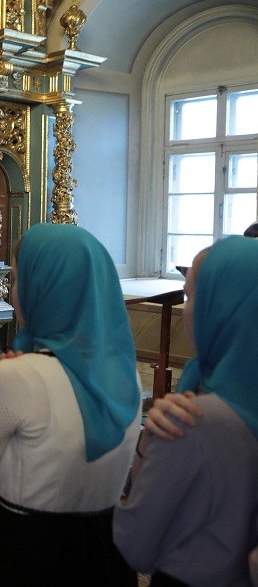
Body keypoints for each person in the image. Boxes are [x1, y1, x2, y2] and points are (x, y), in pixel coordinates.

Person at [0, 223, 140, 586]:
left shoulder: (15, 375)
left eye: (18, 278)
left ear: (44, 287)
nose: (14, 289)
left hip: (25, 549)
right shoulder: (128, 376)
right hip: (105, 546)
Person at [113, 237, 258, 586]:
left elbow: (135, 547)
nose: (185, 309)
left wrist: (147, 443)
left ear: (220, 307)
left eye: (191, 297)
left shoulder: (193, 420)